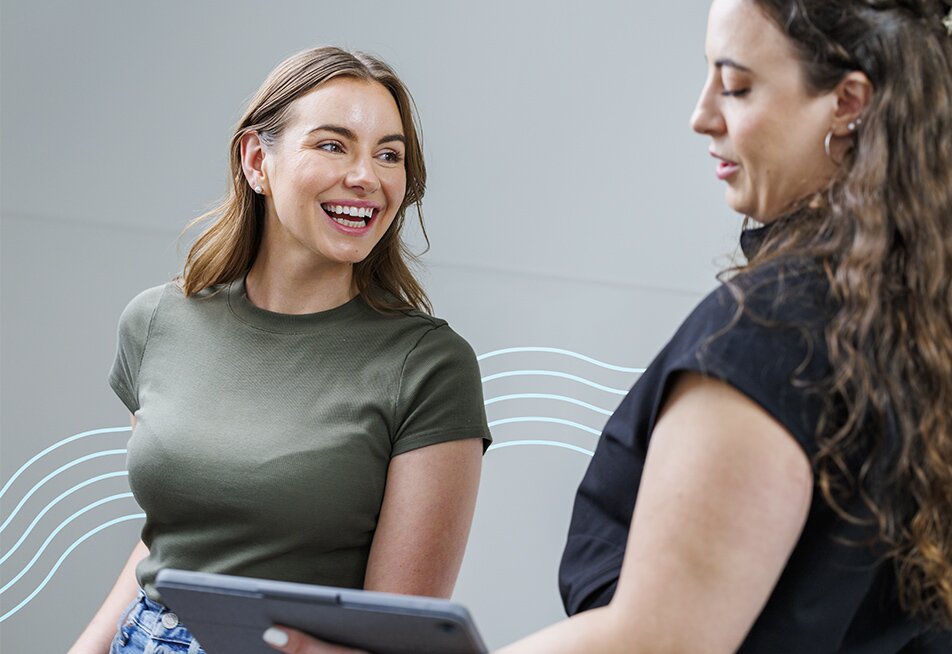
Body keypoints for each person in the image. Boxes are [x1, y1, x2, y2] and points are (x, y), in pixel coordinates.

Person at [263, 1, 952, 652]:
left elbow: (662, 639)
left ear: (848, 104)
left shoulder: (771, 333)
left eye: (736, 87)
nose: (701, 115)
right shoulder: (911, 316)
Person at [69, 46, 491, 654]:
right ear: (256, 160)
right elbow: (172, 544)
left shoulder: (429, 367)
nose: (366, 176)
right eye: (332, 144)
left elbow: (395, 638)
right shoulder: (157, 320)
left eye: (389, 154)